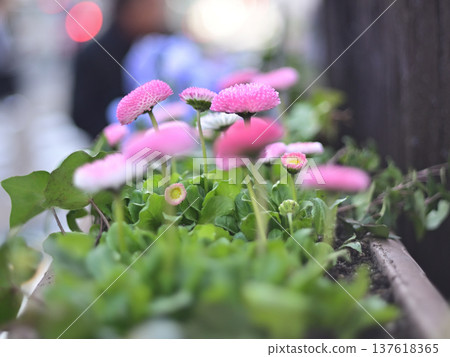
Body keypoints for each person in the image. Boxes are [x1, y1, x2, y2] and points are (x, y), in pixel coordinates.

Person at [71, 0, 168, 138]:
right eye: (148, 5)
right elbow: (82, 114)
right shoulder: (94, 56)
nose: (157, 13)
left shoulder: (170, 45)